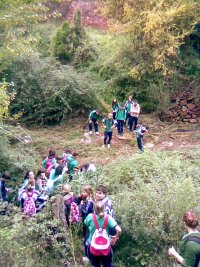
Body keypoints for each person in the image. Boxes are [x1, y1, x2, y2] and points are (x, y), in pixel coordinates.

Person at [84, 201, 122, 267]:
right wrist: (115, 237)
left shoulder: (90, 217)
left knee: (95, 264)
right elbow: (119, 230)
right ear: (104, 208)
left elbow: (86, 225)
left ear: (94, 208)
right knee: (107, 264)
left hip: (92, 246)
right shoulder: (108, 218)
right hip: (106, 247)